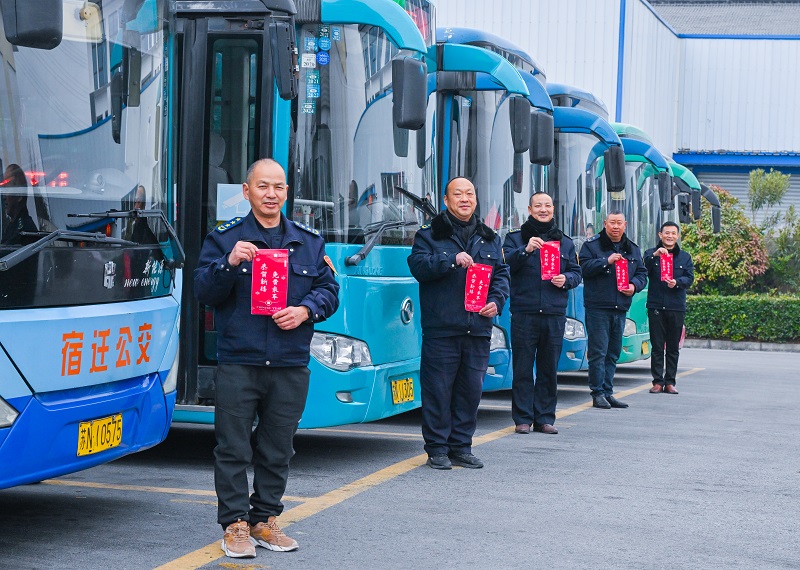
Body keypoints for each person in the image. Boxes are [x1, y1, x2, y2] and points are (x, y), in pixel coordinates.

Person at [194, 158, 339, 559]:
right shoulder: (225, 239)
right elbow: (203, 291)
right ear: (247, 191)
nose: (271, 194)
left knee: (279, 448)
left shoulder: (308, 242)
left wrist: (306, 310)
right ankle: (235, 525)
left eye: (278, 187)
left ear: (286, 192)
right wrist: (229, 263)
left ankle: (264, 520)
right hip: (239, 362)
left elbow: (330, 291)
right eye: (262, 186)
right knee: (233, 448)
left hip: (289, 363)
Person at [408, 177, 510, 470]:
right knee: (438, 391)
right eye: (458, 194)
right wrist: (451, 260)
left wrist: (497, 301)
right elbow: (418, 267)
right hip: (442, 328)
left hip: (478, 328)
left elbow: (501, 275)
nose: (464, 199)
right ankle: (437, 448)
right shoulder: (429, 234)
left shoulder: (490, 238)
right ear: (446, 200)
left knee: (470, 391)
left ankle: (462, 447)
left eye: (469, 194)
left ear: (475, 199)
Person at [503, 193, 582, 435]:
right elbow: (504, 266)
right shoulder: (514, 238)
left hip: (554, 314)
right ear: (530, 209)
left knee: (548, 369)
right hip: (524, 313)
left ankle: (545, 418)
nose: (543, 209)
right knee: (523, 368)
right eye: (538, 206)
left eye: (547, 205)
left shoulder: (565, 242)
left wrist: (566, 279)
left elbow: (576, 272)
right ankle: (522, 419)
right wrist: (525, 250)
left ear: (553, 209)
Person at [579, 211, 647, 409]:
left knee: (613, 353)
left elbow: (642, 274)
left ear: (625, 225)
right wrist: (606, 261)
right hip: (598, 307)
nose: (616, 226)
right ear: (605, 224)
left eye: (619, 223)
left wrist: (634, 286)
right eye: (612, 223)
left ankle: (608, 392)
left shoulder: (632, 248)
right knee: (598, 352)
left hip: (620, 307)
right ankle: (597, 393)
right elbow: (583, 268)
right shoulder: (591, 246)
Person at [644, 221, 694, 394]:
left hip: (676, 307)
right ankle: (657, 382)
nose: (670, 236)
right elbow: (642, 270)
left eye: (673, 233)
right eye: (667, 233)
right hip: (656, 306)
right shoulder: (650, 254)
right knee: (657, 347)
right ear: (660, 235)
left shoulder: (685, 257)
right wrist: (655, 256)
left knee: (673, 347)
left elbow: (690, 278)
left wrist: (677, 282)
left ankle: (670, 382)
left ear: (677, 236)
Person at [1, 164, 37, 245]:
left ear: (20, 195)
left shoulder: (26, 231)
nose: (4, 197)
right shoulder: (11, 226)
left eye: (7, 189)